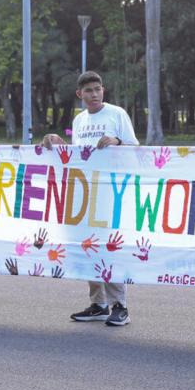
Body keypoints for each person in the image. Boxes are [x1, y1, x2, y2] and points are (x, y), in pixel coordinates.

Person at [42, 71, 139, 326]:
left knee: (109, 247)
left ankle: (121, 306)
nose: (94, 94)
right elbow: (77, 156)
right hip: (85, 193)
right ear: (79, 94)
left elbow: (136, 148)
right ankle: (99, 304)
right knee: (88, 247)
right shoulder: (79, 120)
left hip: (111, 192)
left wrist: (117, 140)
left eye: (98, 89)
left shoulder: (117, 114)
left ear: (103, 90)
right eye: (89, 91)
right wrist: (57, 143)